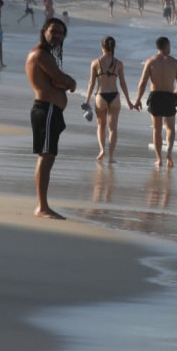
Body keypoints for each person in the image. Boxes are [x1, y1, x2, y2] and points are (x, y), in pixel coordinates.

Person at [25, 17, 76, 219]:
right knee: (46, 158)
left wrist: (63, 83)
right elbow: (62, 80)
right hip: (45, 110)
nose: (57, 36)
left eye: (61, 33)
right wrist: (70, 82)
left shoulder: (46, 54)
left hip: (51, 111)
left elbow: (59, 81)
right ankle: (42, 206)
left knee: (48, 157)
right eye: (53, 31)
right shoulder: (41, 55)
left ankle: (43, 205)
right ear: (44, 30)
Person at [133, 36, 177, 169]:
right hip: (168, 96)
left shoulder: (150, 61)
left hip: (155, 96)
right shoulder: (174, 62)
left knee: (157, 129)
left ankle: (159, 158)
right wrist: (176, 93)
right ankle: (169, 153)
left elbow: (142, 83)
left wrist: (138, 99)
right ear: (166, 46)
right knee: (170, 128)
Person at [83, 36, 133, 162]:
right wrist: (129, 101)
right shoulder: (119, 64)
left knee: (101, 125)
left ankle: (102, 150)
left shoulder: (95, 63)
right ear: (114, 47)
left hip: (101, 96)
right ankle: (110, 156)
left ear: (102, 47)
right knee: (113, 128)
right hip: (115, 97)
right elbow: (123, 83)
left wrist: (87, 100)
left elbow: (91, 83)